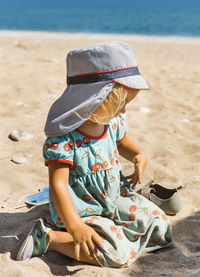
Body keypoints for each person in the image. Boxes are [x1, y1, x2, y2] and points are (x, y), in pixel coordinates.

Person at [17, 41, 174, 268]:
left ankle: (118, 232)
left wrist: (139, 154)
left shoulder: (111, 121)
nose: (123, 110)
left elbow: (121, 142)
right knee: (114, 253)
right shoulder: (63, 140)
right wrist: (75, 227)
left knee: (161, 226)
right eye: (119, 103)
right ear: (93, 98)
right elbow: (58, 186)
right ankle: (49, 238)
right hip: (81, 208)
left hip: (113, 197)